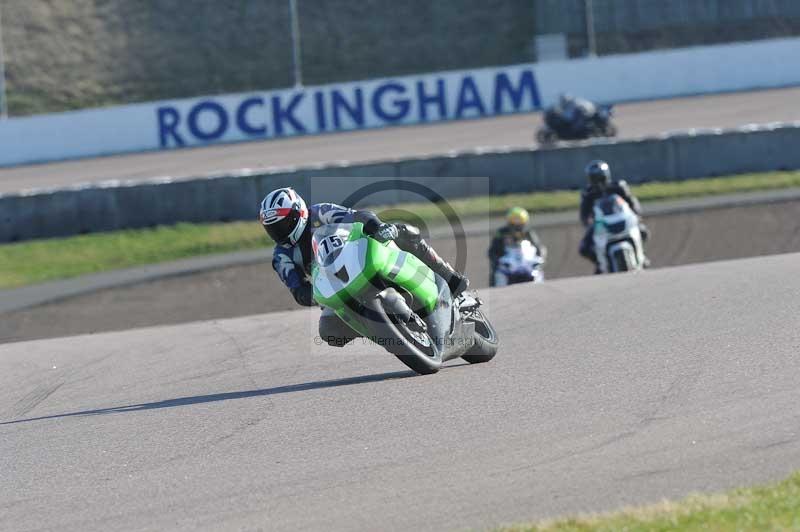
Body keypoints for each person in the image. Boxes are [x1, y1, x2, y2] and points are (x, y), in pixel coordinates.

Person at [259, 187, 469, 347]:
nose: (279, 232)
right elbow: (298, 291)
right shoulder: (281, 256)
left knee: (404, 231)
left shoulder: (320, 213)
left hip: (358, 259)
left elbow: (358, 215)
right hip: (337, 291)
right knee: (328, 332)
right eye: (272, 229)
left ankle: (450, 278)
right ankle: (380, 330)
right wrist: (315, 295)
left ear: (299, 214)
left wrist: (378, 228)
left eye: (283, 224)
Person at [578, 160, 649, 272]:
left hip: (621, 218)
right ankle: (600, 264)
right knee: (584, 248)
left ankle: (641, 255)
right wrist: (588, 223)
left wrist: (637, 212)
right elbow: (584, 213)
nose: (598, 181)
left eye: (600, 177)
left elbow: (631, 201)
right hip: (600, 224)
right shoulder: (588, 194)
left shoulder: (619, 187)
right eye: (595, 178)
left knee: (643, 231)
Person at [487, 207, 547, 286]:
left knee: (538, 271)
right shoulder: (501, 233)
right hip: (509, 262)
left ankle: (540, 287)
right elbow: (493, 250)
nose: (517, 224)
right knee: (498, 272)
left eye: (519, 220)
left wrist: (540, 258)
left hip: (526, 263)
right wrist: (496, 261)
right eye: (514, 220)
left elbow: (538, 247)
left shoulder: (528, 232)